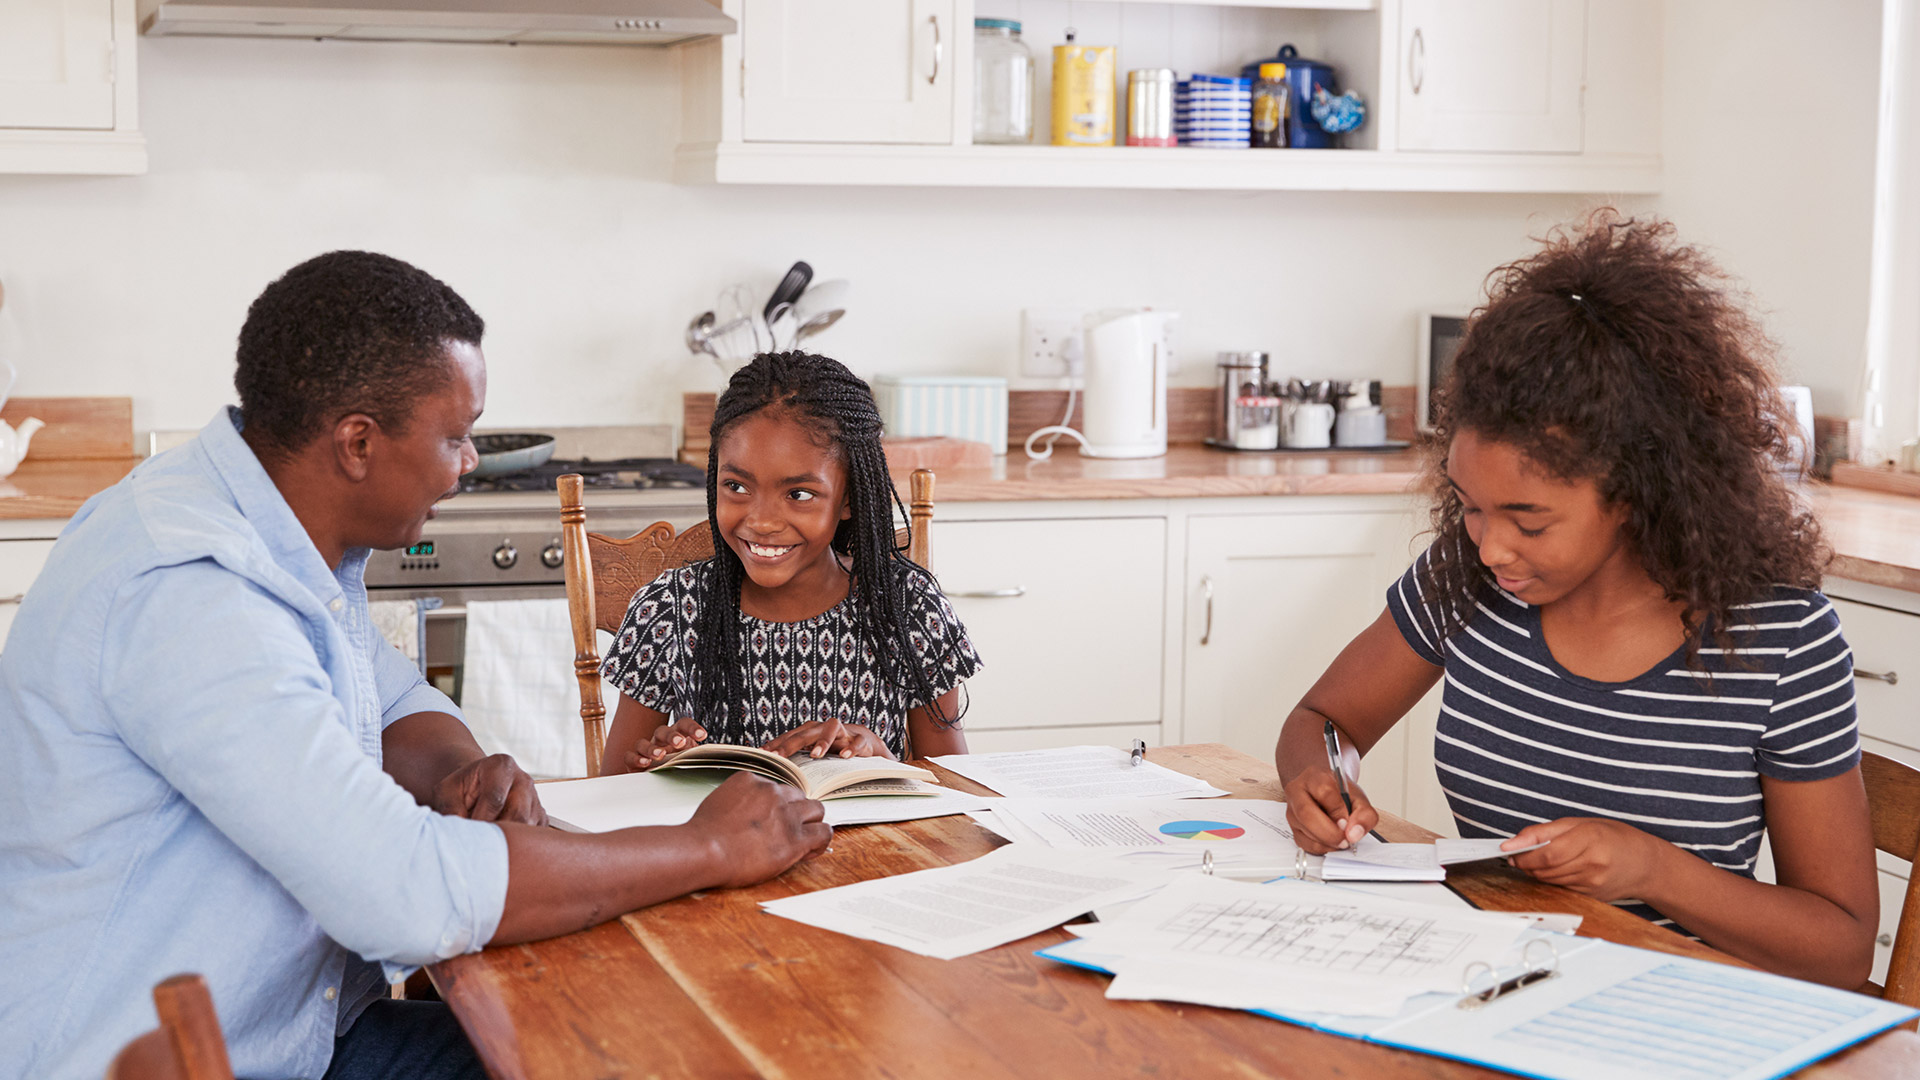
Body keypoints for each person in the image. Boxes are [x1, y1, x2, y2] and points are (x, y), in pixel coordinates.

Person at [0, 252, 831, 1080]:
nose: (469, 463)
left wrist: (464, 772)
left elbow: (389, 696)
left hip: (297, 1029)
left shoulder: (252, 515)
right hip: (183, 1060)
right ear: (358, 442)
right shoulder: (192, 589)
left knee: (632, 1039)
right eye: (456, 437)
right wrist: (706, 848)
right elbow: (406, 892)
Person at [1273, 212, 1877, 989]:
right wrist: (1319, 779)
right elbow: (1325, 720)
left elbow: (1842, 950)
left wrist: (1654, 870)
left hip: (1674, 1012)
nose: (1490, 545)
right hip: (1491, 982)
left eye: (1529, 519)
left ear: (1637, 492)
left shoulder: (1777, 639)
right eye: (1470, 503)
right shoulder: (1467, 580)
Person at [600, 351, 981, 775]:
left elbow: (955, 791)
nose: (762, 521)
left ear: (848, 498)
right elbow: (609, 793)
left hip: (877, 841)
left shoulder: (907, 605)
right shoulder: (671, 607)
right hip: (721, 842)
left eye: (799, 494)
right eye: (736, 486)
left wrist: (885, 759)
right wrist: (655, 766)